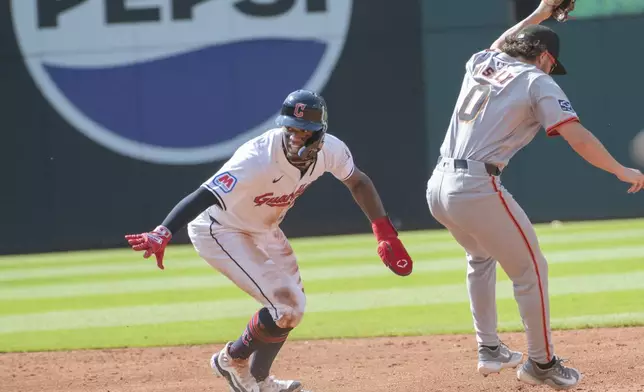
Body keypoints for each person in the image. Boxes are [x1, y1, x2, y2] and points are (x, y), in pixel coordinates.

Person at [125, 89, 414, 392]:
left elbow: (358, 181)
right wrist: (163, 231)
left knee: (292, 310)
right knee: (286, 305)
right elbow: (204, 195)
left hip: (264, 229)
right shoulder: (257, 157)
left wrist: (384, 231)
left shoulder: (331, 151)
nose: (294, 137)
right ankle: (231, 361)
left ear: (320, 135)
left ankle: (259, 378)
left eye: (303, 131)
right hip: (221, 229)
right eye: (289, 129)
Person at [425, 1, 644, 390]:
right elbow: (578, 136)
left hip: (438, 185)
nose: (550, 69)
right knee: (530, 271)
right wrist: (619, 169)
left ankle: (489, 348)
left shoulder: (483, 62)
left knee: (480, 257)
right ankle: (542, 363)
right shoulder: (536, 80)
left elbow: (501, 43)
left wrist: (541, 12)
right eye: (550, 62)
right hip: (475, 185)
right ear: (543, 56)